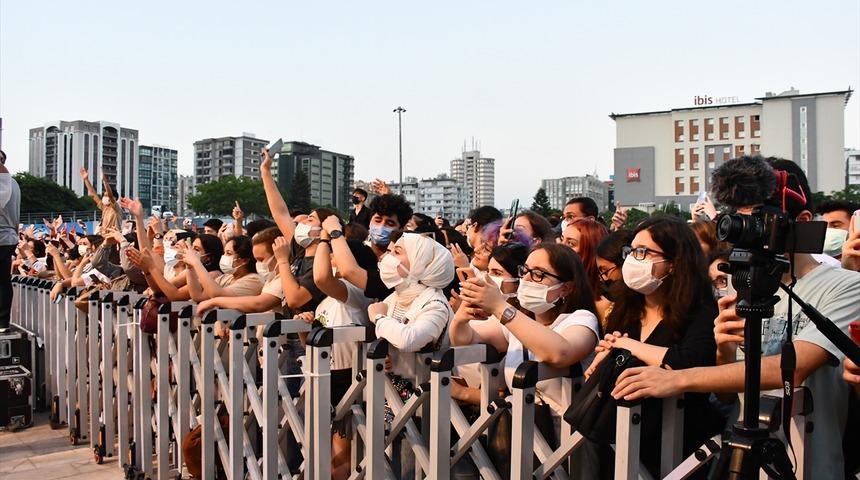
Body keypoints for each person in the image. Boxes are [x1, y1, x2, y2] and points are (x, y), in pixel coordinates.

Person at [611, 157, 860, 479]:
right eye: (739, 222)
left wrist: (678, 378)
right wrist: (723, 350)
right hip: (737, 449)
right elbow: (728, 394)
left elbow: (795, 367)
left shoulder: (845, 285)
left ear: (802, 220)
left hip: (808, 460)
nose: (747, 235)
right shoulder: (739, 283)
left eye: (758, 222)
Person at [585, 215, 724, 477]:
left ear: (674, 263)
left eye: (642, 252)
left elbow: (689, 361)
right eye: (631, 251)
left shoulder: (700, 309)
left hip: (679, 441)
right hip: (623, 435)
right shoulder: (626, 306)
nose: (632, 260)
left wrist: (627, 345)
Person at [453, 243, 599, 448]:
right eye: (526, 271)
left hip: (568, 442)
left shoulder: (581, 319)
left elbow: (560, 353)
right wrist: (462, 317)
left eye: (539, 274)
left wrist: (499, 306)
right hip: (525, 438)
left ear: (567, 287)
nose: (527, 279)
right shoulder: (520, 320)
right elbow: (464, 339)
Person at [305, 220, 377, 479]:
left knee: (342, 455)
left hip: (350, 378)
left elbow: (321, 277)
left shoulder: (356, 293)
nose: (331, 259)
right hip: (325, 375)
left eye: (335, 254)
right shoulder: (328, 300)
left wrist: (325, 238)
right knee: (324, 452)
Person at [366, 233, 455, 380]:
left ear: (420, 264)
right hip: (394, 392)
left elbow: (409, 340)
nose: (386, 257)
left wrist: (379, 318)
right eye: (390, 251)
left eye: (397, 252)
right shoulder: (395, 297)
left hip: (428, 396)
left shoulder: (436, 305)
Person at [185, 235, 263, 302]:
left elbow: (216, 294)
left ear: (244, 260)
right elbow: (198, 297)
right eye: (224, 253)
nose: (224, 257)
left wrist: (196, 263)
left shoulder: (253, 280)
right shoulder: (226, 277)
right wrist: (189, 267)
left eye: (229, 253)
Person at [560, 218, 608, 301]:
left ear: (590, 250)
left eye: (570, 243)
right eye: (561, 239)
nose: (560, 247)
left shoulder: (602, 302)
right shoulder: (555, 283)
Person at [0, 149, 18, 331]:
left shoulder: (6, 183)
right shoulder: (14, 184)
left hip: (4, 236)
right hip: (9, 237)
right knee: (4, 280)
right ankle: (3, 322)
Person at [80, 167, 123, 232]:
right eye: (104, 195)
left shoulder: (117, 208)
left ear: (114, 198)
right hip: (104, 237)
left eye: (106, 195)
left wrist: (104, 181)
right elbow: (93, 195)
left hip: (114, 238)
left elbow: (110, 195)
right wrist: (86, 179)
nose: (104, 197)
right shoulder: (104, 207)